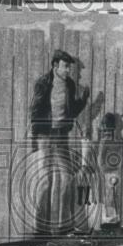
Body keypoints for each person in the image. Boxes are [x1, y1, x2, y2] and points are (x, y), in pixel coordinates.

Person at [29, 49, 90, 234]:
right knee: (46, 181)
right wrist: (35, 139)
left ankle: (64, 225)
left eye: (70, 68)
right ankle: (41, 227)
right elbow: (35, 111)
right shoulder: (44, 83)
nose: (69, 71)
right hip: (45, 136)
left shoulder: (70, 85)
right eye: (65, 67)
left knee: (66, 178)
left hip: (62, 135)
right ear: (55, 66)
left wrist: (84, 100)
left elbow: (71, 112)